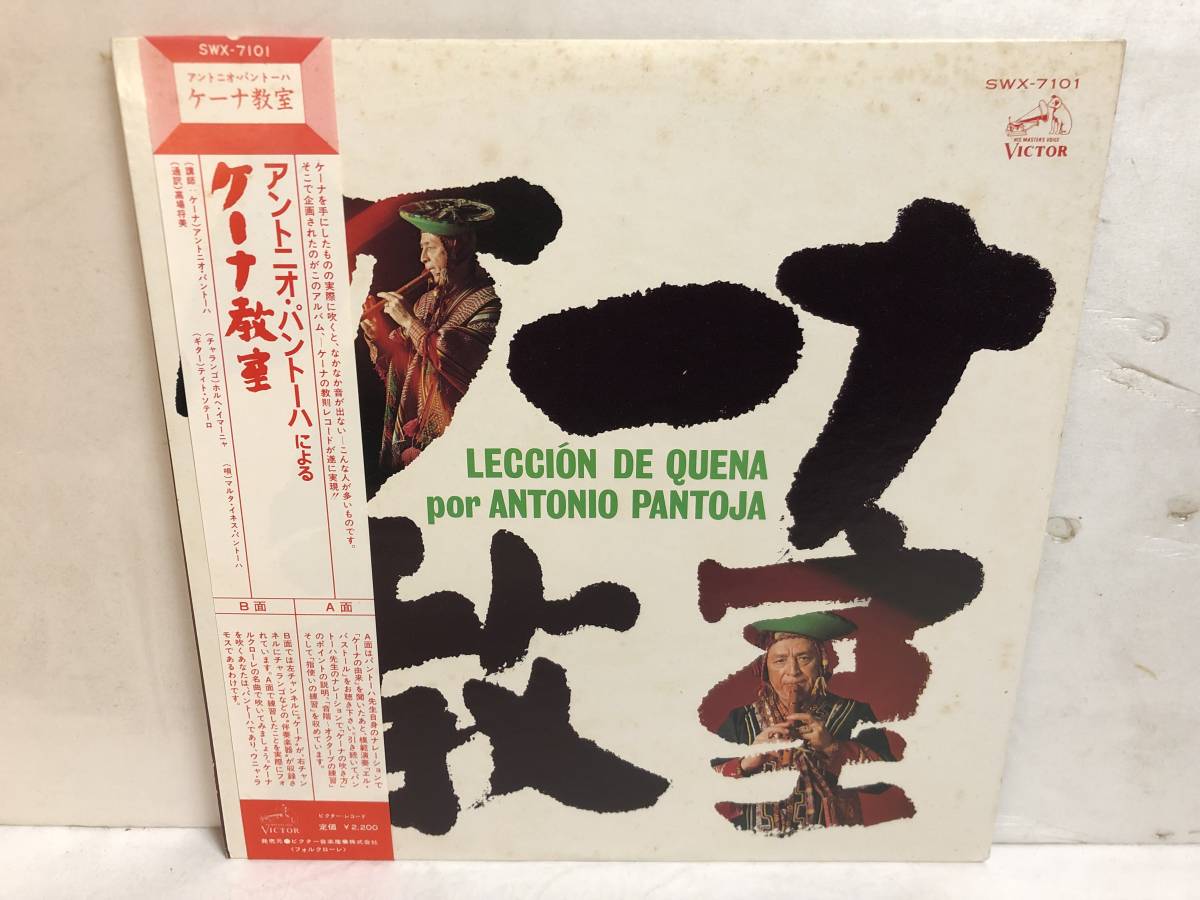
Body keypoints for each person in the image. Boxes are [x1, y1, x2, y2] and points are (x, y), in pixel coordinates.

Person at [712, 611, 893, 833]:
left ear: (822, 664)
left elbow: (884, 780)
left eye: (804, 658)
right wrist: (746, 762)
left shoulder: (853, 713)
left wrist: (833, 748)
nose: (793, 671)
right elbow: (705, 788)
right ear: (766, 668)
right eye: (780, 660)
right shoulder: (741, 720)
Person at [360, 199, 501, 473]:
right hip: (412, 436)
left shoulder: (488, 302)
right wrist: (378, 337)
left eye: (431, 247)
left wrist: (407, 320)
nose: (423, 258)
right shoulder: (425, 302)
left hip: (459, 436)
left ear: (456, 249)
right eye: (421, 247)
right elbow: (402, 363)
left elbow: (458, 360)